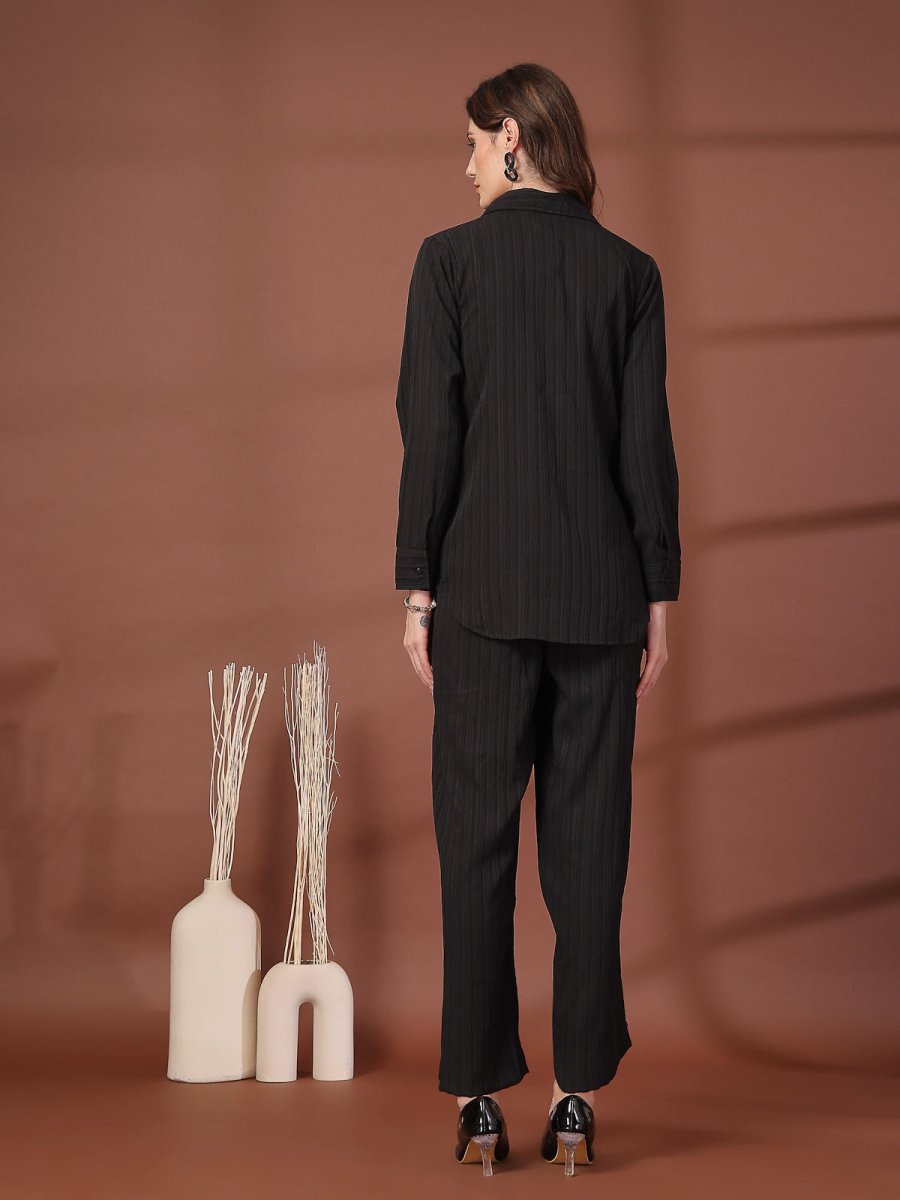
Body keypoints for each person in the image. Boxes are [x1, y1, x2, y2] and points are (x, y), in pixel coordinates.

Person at [393, 62, 681, 1176]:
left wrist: (419, 586)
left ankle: (478, 1106)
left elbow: (433, 432)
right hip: (602, 599)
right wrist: (658, 599)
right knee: (589, 852)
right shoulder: (630, 273)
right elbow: (644, 447)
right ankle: (575, 1103)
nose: (466, 163)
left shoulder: (448, 263)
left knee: (475, 850)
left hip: (481, 597)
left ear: (512, 138)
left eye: (474, 142)